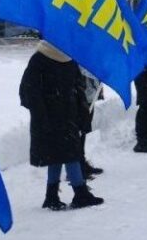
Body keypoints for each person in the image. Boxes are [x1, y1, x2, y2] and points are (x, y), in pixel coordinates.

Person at [19, 40, 104, 211]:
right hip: (52, 117)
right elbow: (28, 91)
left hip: (66, 115)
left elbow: (77, 88)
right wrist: (42, 114)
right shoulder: (40, 59)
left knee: (59, 154)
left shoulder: (67, 59)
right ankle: (79, 193)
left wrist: (82, 112)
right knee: (69, 153)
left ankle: (52, 195)